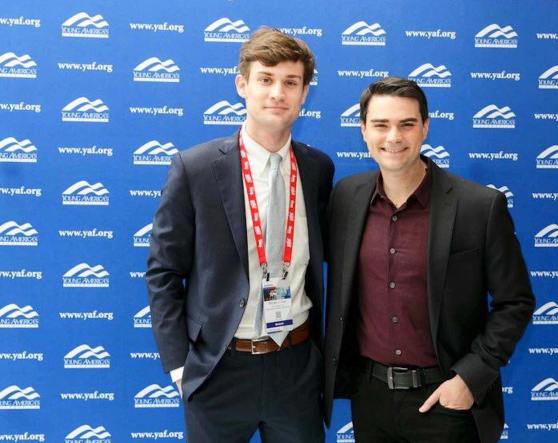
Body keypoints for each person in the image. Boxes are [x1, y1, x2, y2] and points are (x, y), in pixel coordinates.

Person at [146, 27, 333, 442]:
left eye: (291, 82)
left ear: (304, 94)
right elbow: (162, 273)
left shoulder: (319, 170)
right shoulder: (194, 169)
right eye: (265, 79)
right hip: (219, 369)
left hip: (297, 366)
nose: (277, 93)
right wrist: (180, 367)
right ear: (242, 85)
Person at [323, 77, 535, 443]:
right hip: (369, 399)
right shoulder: (346, 197)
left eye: (407, 124)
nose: (394, 137)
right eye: (381, 125)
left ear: (425, 127)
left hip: (445, 402)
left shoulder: (479, 207)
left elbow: (515, 301)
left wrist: (470, 378)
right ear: (363, 130)